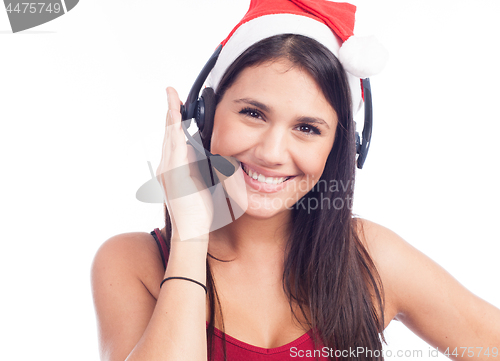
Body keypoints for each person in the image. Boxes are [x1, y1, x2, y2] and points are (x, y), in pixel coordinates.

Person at [91, 0, 500, 360]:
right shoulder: (132, 263)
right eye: (253, 113)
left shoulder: (370, 259)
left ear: (339, 148)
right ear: (205, 114)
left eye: (307, 128)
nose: (271, 153)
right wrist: (190, 239)